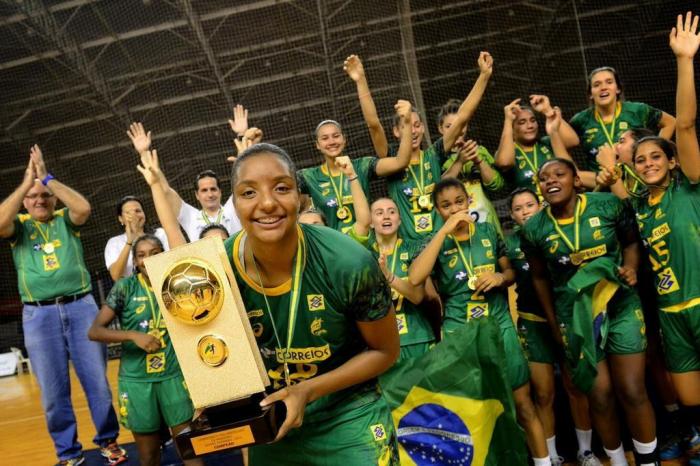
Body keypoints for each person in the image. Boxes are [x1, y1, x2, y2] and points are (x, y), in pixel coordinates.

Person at [137, 144, 401, 465]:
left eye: (281, 188)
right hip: (272, 424)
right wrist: (219, 395)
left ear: (300, 198)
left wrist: (307, 391)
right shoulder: (217, 271)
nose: (266, 203)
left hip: (348, 416)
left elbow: (385, 352)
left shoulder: (348, 262)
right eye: (249, 193)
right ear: (234, 204)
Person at [521, 158, 658, 465]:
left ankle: (650, 462)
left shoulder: (608, 206)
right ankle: (618, 461)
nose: (551, 181)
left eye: (559, 174)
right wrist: (555, 323)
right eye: (544, 178)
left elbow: (632, 242)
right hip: (577, 318)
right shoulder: (534, 229)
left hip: (620, 304)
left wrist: (632, 268)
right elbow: (540, 277)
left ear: (577, 181)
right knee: (600, 395)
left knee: (633, 389)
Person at [408, 178, 550, 466]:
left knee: (523, 404)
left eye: (459, 201)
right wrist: (442, 232)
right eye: (446, 205)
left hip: (499, 327)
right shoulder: (432, 242)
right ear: (437, 209)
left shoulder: (487, 231)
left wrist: (500, 278)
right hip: (462, 335)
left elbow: (509, 272)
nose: (454, 209)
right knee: (476, 412)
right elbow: (414, 278)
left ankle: (545, 462)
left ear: (469, 201)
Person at [0, 145, 126, 466]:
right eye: (34, 197)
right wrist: (27, 180)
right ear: (25, 204)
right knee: (54, 392)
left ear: (54, 199)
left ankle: (108, 441)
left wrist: (47, 178)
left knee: (97, 382)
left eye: (45, 196)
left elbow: (83, 208)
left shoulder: (65, 221)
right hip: (38, 316)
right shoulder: (21, 227)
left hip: (80, 307)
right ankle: (68, 453)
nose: (40, 200)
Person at [627, 13, 700, 463]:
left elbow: (686, 126)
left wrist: (684, 61)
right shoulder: (638, 205)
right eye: (641, 158)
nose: (649, 162)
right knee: (691, 399)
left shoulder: (688, 184)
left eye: (657, 156)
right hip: (671, 314)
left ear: (671, 163)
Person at [347, 53, 494, 241]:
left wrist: (483, 76)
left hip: (442, 242)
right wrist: (361, 80)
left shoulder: (434, 154)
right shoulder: (390, 156)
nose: (413, 130)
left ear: (423, 128)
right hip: (409, 246)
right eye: (406, 125)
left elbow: (463, 116)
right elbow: (374, 124)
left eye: (417, 125)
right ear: (396, 132)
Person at [88, 234, 202, 466]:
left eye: (154, 252)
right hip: (138, 380)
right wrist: (132, 335)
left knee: (189, 450)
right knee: (149, 456)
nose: (148, 259)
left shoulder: (179, 284)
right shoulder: (124, 288)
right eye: (141, 255)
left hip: (173, 376)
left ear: (164, 254)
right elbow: (95, 331)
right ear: (135, 261)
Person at [507, 188, 601, 466]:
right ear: (511, 215)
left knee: (576, 387)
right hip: (533, 325)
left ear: (540, 206)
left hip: (565, 319)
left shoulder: (556, 234)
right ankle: (551, 456)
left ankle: (585, 451)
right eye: (518, 208)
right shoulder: (510, 244)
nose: (525, 211)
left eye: (529, 205)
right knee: (544, 393)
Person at [297, 100, 413, 234]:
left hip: (364, 244)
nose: (331, 142)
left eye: (336, 136)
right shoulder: (309, 176)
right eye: (325, 138)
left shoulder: (362, 166)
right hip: (331, 247)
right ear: (317, 145)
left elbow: (401, 162)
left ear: (344, 139)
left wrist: (408, 123)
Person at [127, 121, 243, 241]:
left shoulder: (232, 208)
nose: (210, 194)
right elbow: (166, 191)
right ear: (197, 195)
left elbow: (246, 181)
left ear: (220, 192)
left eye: (213, 189)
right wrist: (144, 153)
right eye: (204, 190)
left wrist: (242, 135)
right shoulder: (191, 216)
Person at [366, 197, 437, 383]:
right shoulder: (363, 255)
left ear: (399, 219)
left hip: (418, 338)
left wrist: (389, 276)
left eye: (391, 211)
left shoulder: (415, 248)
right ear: (371, 222)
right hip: (383, 347)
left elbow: (418, 296)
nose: (386, 216)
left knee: (430, 402)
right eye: (379, 213)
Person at [569, 66, 676, 171]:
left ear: (618, 89)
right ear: (590, 94)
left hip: (638, 180)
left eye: (609, 82)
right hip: (602, 185)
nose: (603, 88)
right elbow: (560, 143)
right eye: (597, 85)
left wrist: (655, 149)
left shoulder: (637, 110)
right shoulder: (580, 120)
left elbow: (670, 122)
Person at [495, 96, 578, 193]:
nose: (530, 126)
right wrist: (508, 121)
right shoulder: (509, 152)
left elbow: (573, 141)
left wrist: (548, 111)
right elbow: (504, 163)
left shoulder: (547, 142)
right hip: (529, 207)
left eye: (533, 120)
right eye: (522, 122)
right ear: (512, 129)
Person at [104, 195, 169, 281]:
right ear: (121, 219)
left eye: (138, 211)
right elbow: (116, 276)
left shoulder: (160, 233)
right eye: (128, 213)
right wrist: (129, 242)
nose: (134, 215)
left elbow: (172, 260)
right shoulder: (114, 243)